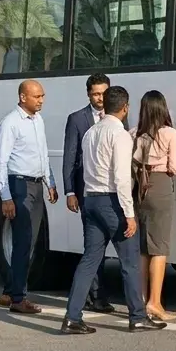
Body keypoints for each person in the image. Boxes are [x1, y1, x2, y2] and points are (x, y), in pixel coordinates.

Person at [60, 85, 166, 334]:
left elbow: (84, 170)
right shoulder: (119, 135)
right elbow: (121, 177)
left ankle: (72, 317)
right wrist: (129, 214)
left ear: (104, 105)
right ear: (125, 107)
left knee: (89, 260)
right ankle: (137, 317)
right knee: (129, 261)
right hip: (112, 202)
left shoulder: (90, 132)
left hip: (91, 199)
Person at [0, 79, 58, 314]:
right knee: (23, 242)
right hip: (18, 185)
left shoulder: (37, 120)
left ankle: (10, 291)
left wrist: (50, 181)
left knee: (29, 242)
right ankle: (18, 299)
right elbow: (1, 162)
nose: (41, 100)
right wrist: (6, 197)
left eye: (42, 96)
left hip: (36, 184)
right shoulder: (10, 123)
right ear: (23, 97)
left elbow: (43, 154)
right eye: (36, 96)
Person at [61, 72, 117, 314]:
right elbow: (70, 158)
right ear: (88, 94)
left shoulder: (116, 118)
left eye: (104, 93)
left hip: (110, 191)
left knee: (101, 246)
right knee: (93, 246)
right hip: (86, 191)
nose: (100, 98)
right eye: (96, 94)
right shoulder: (77, 119)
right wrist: (70, 191)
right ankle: (94, 295)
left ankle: (95, 294)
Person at [132, 90, 176, 322]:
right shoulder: (169, 133)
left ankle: (141, 300)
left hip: (139, 187)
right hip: (160, 185)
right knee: (159, 247)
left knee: (143, 248)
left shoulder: (134, 134)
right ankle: (155, 302)